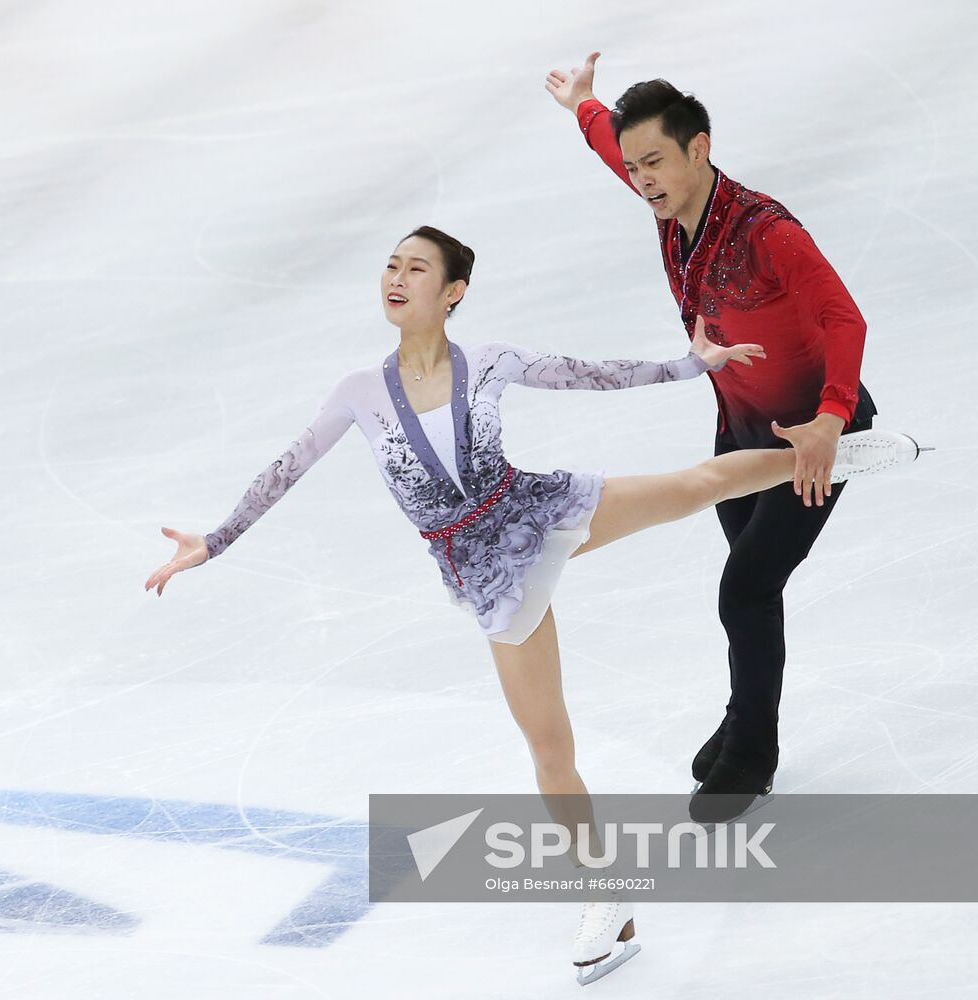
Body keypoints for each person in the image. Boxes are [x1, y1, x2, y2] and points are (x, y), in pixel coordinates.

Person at [144, 226, 917, 982]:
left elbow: (592, 374)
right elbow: (287, 466)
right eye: (390, 265)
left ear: (452, 293)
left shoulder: (487, 361)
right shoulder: (359, 394)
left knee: (693, 484)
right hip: (481, 571)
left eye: (415, 268)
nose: (396, 277)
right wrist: (216, 540)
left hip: (532, 510)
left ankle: (828, 452)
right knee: (549, 745)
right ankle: (604, 900)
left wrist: (692, 364)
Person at [546, 55, 885, 823]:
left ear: (699, 148)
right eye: (635, 167)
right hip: (739, 434)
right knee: (748, 591)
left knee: (746, 589)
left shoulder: (768, 232)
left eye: (656, 161)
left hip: (809, 437)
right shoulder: (669, 208)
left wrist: (831, 420)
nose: (642, 179)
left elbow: (845, 319)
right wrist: (584, 104)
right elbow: (611, 144)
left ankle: (752, 751)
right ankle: (744, 721)